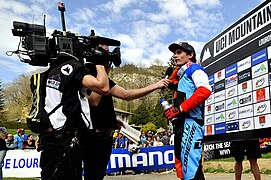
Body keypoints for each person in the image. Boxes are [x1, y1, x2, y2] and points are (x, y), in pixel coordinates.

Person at [82, 44, 169, 180]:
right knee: (92, 176)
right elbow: (93, 101)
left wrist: (156, 85)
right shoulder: (87, 73)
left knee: (97, 175)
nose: (107, 56)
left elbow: (127, 95)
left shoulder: (104, 79)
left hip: (105, 134)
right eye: (103, 53)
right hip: (94, 136)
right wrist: (103, 70)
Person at [38, 54, 109, 180]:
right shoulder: (71, 67)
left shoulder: (47, 73)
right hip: (64, 138)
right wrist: (100, 62)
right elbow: (103, 87)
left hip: (48, 137)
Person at [163, 42, 211, 180]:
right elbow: (174, 82)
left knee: (191, 170)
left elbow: (205, 91)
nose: (175, 55)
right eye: (174, 53)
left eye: (179, 52)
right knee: (183, 169)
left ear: (190, 55)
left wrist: (180, 108)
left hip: (191, 123)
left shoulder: (195, 69)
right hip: (181, 125)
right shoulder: (181, 75)